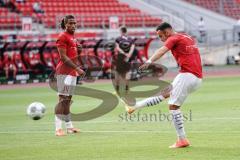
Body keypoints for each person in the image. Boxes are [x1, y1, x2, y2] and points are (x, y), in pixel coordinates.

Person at [125, 22, 203, 148]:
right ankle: (134, 106)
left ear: (167, 32)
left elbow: (162, 50)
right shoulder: (186, 37)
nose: (161, 39)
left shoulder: (174, 38)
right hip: (195, 76)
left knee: (173, 106)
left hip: (187, 75)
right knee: (165, 93)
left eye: (161, 36)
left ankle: (182, 139)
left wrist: (149, 61)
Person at [55, 15, 85, 136]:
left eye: (75, 23)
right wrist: (78, 68)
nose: (73, 25)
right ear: (65, 24)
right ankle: (58, 129)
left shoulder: (73, 37)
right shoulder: (62, 36)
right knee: (62, 100)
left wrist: (80, 50)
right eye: (70, 23)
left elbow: (75, 56)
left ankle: (69, 127)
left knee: (68, 101)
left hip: (72, 73)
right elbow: (63, 57)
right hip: (64, 72)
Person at [114, 26, 138, 95]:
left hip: (121, 57)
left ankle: (117, 90)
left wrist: (123, 53)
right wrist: (128, 55)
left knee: (117, 73)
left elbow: (117, 47)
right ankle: (127, 89)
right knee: (127, 72)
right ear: (126, 31)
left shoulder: (118, 39)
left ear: (121, 31)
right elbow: (132, 48)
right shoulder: (131, 39)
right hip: (128, 57)